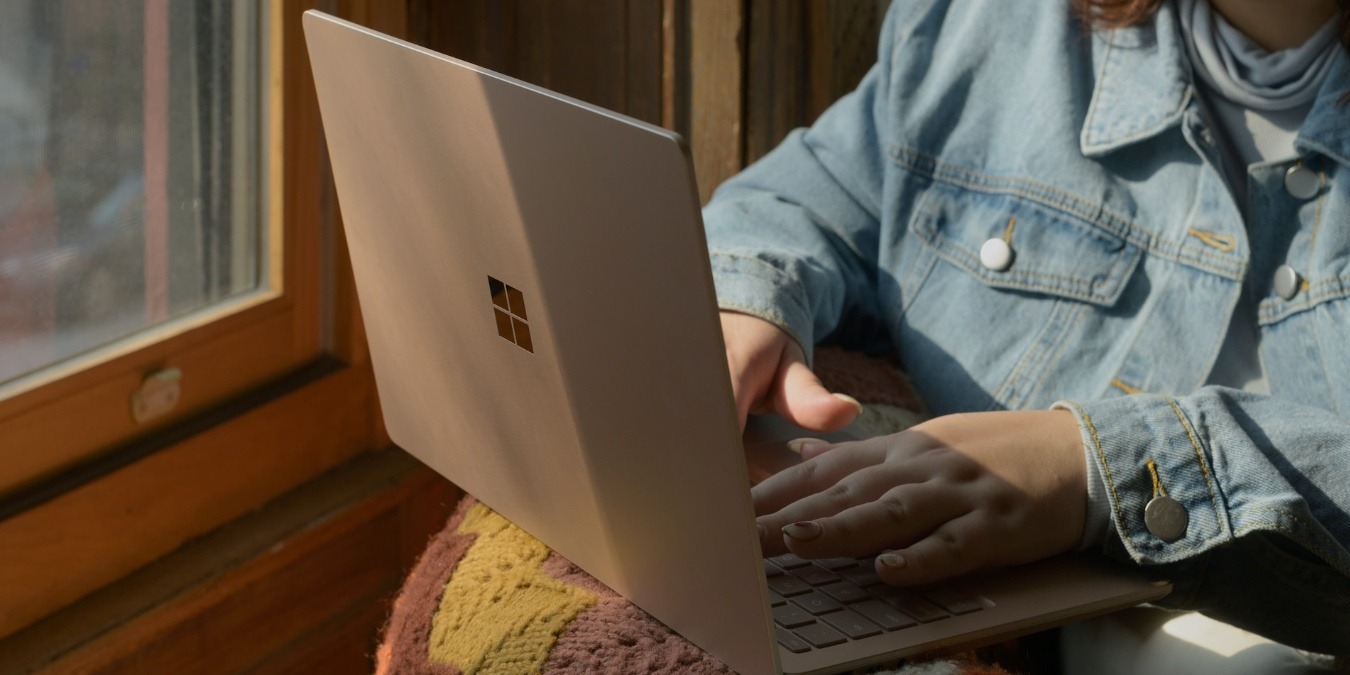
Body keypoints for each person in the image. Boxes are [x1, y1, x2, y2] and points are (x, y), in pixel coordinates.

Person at [703, 0, 1350, 665]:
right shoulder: (991, 26)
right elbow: (809, 198)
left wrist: (1093, 466)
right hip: (987, 600)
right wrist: (745, 303)